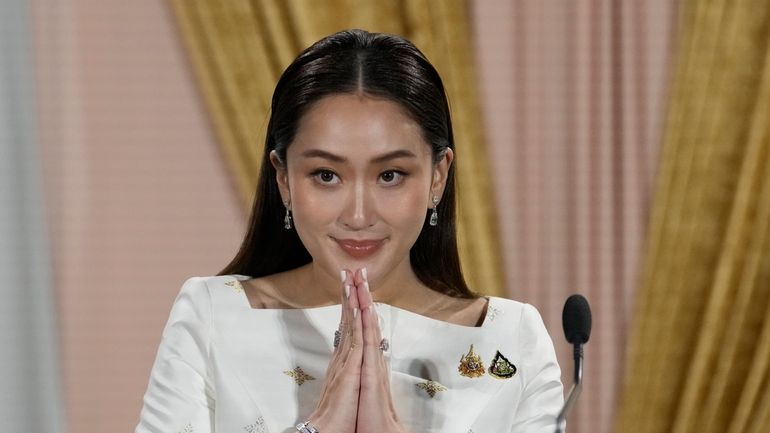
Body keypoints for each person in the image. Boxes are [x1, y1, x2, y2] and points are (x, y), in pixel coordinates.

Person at [136, 29, 563, 433]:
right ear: (283, 179)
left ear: (437, 177)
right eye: (326, 175)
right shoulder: (212, 316)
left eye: (391, 174)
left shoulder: (510, 337)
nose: (358, 216)